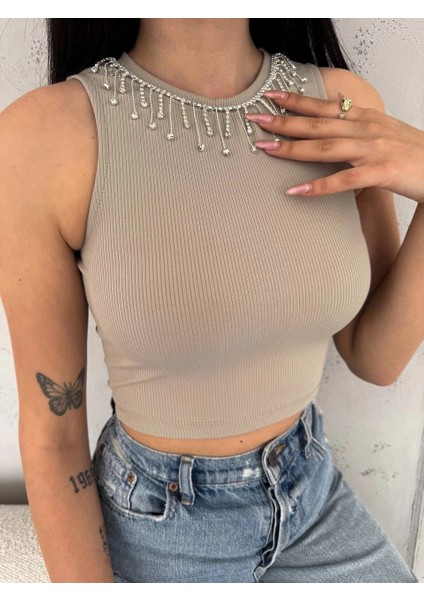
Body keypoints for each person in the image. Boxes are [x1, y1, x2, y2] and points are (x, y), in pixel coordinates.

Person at [1, 18, 422, 583]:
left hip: (312, 490)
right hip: (162, 519)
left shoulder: (342, 104)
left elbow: (377, 357)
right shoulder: (43, 135)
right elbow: (54, 437)